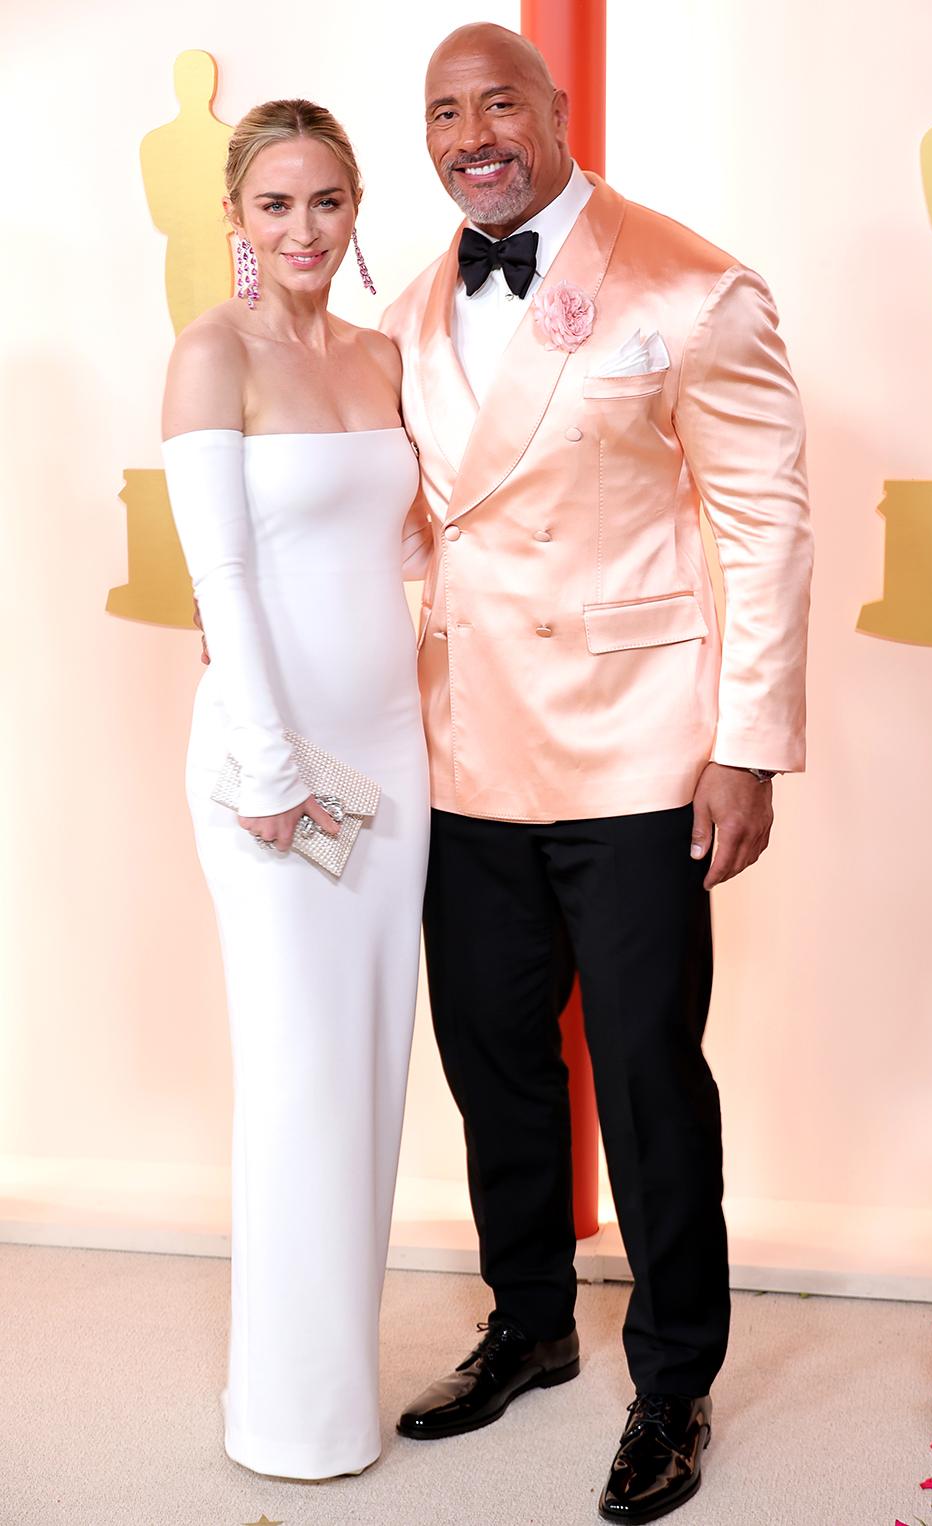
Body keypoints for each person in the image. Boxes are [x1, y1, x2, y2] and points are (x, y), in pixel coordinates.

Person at [383, 23, 813, 1524]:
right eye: (445, 111)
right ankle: (529, 1321)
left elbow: (767, 521)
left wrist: (747, 743)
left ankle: (675, 1380)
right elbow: (408, 531)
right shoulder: (405, 304)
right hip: (461, 745)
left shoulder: (690, 279)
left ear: (557, 111)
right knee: (492, 1055)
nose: (473, 132)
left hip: (638, 746)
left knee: (642, 1072)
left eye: (501, 101)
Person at [161, 99, 431, 1481]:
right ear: (238, 220)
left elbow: (430, 543)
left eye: (328, 200)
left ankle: (336, 1387)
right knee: (297, 1077)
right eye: (277, 204)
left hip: (392, 760)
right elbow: (225, 578)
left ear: (355, 206)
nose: (305, 227)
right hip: (275, 774)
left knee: (369, 1074)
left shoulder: (386, 355)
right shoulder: (211, 354)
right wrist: (267, 768)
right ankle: (286, 1413)